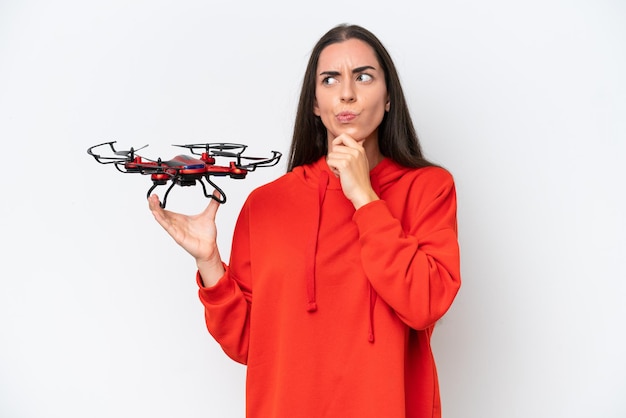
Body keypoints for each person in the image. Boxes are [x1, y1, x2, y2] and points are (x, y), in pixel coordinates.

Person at [149, 23, 461, 418]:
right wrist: (209, 261)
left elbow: (424, 303)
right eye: (330, 79)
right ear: (315, 103)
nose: (346, 92)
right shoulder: (267, 204)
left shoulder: (429, 188)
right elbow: (248, 342)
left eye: (363, 76)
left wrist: (364, 196)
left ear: (387, 99)